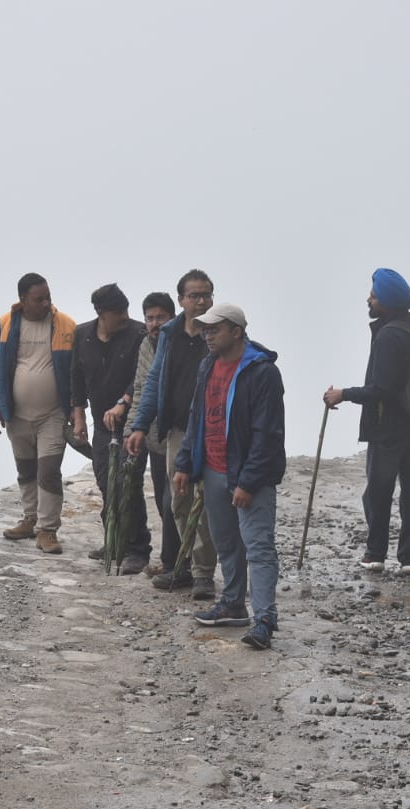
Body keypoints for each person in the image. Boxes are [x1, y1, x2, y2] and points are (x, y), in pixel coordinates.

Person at [172, 303, 285, 650]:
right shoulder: (208, 365)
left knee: (258, 547)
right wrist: (185, 464)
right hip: (213, 469)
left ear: (236, 331)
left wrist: (248, 482)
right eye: (205, 329)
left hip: (249, 476)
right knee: (226, 543)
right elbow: (198, 418)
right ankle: (234, 604)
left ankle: (265, 619)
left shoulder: (262, 372)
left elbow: (267, 433)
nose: (207, 335)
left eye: (214, 329)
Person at [322, 268, 410, 577]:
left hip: (388, 428)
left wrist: (342, 394)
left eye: (374, 294)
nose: (369, 298)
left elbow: (382, 389)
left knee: (378, 491)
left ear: (387, 300)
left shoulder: (389, 335)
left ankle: (375, 554)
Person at [125, 270, 219, 600]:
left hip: (212, 430)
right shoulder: (170, 333)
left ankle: (204, 574)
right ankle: (185, 565)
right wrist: (139, 426)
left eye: (207, 294)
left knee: (204, 502)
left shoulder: (219, 331)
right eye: (194, 295)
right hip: (178, 430)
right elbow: (154, 382)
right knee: (178, 500)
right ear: (181, 300)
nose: (202, 301)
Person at [0, 272, 77, 554]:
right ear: (23, 300)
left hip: (53, 415)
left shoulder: (65, 326)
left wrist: (75, 408)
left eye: (48, 297)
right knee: (26, 469)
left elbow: (76, 371)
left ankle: (47, 531)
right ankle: (30, 518)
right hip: (17, 414)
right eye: (39, 299)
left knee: (48, 471)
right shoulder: (5, 326)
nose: (46, 303)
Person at [71, 283, 151, 573]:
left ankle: (137, 548)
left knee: (127, 482)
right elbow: (76, 377)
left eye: (127, 310)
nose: (125, 317)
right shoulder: (82, 336)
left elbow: (142, 375)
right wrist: (78, 416)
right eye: (119, 312)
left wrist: (122, 404)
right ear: (102, 313)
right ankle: (115, 538)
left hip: (132, 422)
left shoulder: (138, 334)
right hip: (101, 425)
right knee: (106, 482)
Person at [110, 291, 178, 577]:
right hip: (147, 433)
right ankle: (154, 556)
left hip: (173, 436)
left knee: (170, 501)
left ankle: (176, 562)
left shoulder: (180, 343)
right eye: (150, 317)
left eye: (160, 317)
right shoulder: (146, 345)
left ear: (172, 317)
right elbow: (140, 389)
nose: (154, 323)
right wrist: (130, 430)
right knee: (144, 493)